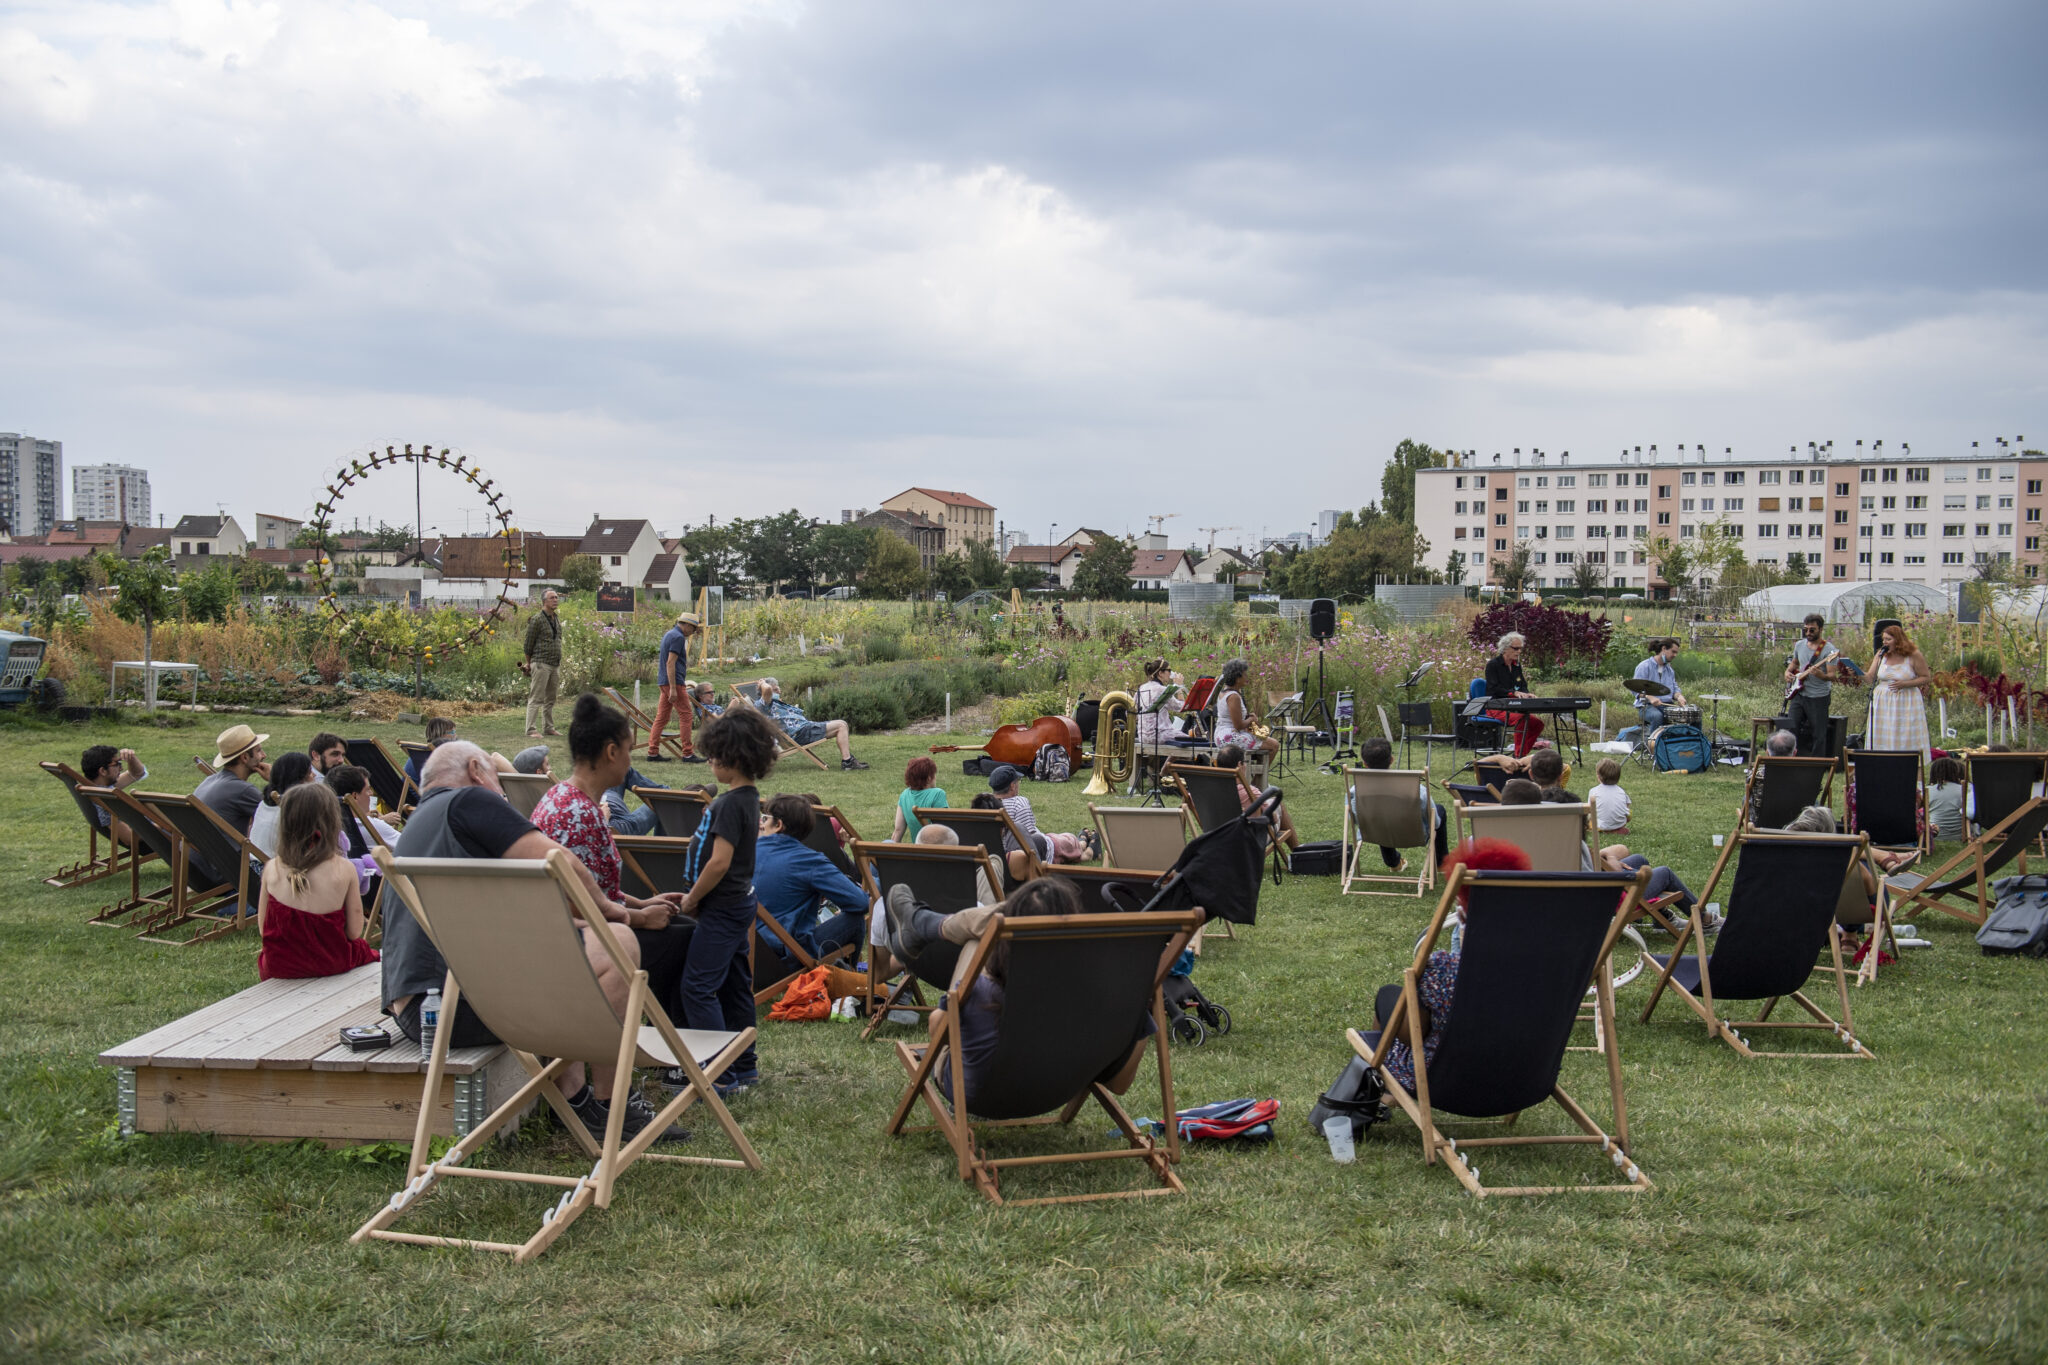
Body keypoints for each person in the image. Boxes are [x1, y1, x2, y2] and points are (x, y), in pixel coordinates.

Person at [379, 738, 685, 1145]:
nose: (502, 791)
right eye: (497, 778)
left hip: (423, 1010)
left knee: (579, 946)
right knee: (617, 942)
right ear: (475, 770)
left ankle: (574, 1099)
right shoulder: (470, 802)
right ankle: (614, 1107)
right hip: (473, 1006)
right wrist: (624, 914)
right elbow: (562, 864)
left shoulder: (420, 824)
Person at [883, 878, 1162, 1110]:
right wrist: (1141, 1014)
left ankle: (923, 923)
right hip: (1057, 1091)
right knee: (1005, 920)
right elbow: (1119, 1085)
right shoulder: (1106, 993)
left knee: (978, 936)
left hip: (977, 1095)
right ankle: (924, 923)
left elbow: (938, 1031)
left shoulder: (980, 990)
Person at [529, 694, 698, 1027]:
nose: (629, 761)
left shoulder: (560, 797)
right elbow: (575, 903)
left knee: (680, 924)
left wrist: (644, 903)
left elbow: (592, 886)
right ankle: (674, 1050)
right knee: (688, 938)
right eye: (628, 750)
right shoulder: (579, 816)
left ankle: (669, 1044)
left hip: (578, 927)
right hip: (582, 942)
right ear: (611, 752)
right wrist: (639, 918)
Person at [674, 707, 781, 1096]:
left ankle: (717, 1075)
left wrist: (691, 899)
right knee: (736, 985)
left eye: (715, 754)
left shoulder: (729, 804)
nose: (710, 761)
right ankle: (743, 1066)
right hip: (739, 903)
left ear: (733, 759)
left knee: (698, 987)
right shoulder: (748, 799)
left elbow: (719, 862)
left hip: (721, 906)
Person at [1374, 839, 1530, 1094]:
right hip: (1524, 1077)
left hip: (1443, 1080)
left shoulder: (1444, 970)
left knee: (1388, 996)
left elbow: (1416, 1033)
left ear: (1463, 913)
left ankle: (1380, 1092)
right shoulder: (1546, 971)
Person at [257, 783, 379, 981]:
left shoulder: (272, 868)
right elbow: (354, 932)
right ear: (332, 822)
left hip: (279, 967)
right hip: (332, 962)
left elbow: (264, 929)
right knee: (367, 951)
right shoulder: (344, 868)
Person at [754, 795, 870, 973]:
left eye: (764, 818)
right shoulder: (808, 860)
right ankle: (849, 980)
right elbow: (861, 903)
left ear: (778, 825)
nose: (761, 823)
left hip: (741, 953)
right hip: (786, 958)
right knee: (855, 919)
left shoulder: (743, 852)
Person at [1358, 737, 1447, 871]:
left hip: (1374, 832)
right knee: (1439, 810)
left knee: (1380, 813)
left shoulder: (1356, 791)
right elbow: (1436, 823)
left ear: (1364, 763)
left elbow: (1355, 818)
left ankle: (1393, 862)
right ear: (1392, 759)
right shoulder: (1417, 790)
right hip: (1416, 835)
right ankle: (1441, 863)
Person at [756, 676, 868, 770]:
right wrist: (762, 683)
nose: (779, 691)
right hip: (800, 733)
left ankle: (848, 760)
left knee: (842, 725)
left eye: (778, 688)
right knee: (841, 725)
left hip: (804, 730)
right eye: (776, 690)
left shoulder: (772, 703)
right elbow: (767, 691)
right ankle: (847, 762)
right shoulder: (764, 704)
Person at [325, 764, 399, 895]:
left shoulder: (328, 824)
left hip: (348, 891)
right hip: (383, 891)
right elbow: (413, 848)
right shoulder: (372, 826)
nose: (371, 794)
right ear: (354, 796)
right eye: (368, 790)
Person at [1866, 622, 1932, 759]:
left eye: (1888, 639)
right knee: (1884, 735)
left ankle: (1908, 763)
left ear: (1898, 640)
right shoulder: (1881, 655)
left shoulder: (1913, 655)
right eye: (1883, 639)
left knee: (1904, 735)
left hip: (1906, 701)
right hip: (1883, 702)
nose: (1884, 642)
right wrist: (1855, 672)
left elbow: (1926, 678)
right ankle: (1881, 763)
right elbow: (1869, 678)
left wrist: (1906, 683)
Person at [1216, 742, 1300, 850]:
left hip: (1218, 839)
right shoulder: (1249, 792)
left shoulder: (1207, 791)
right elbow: (1273, 818)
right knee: (1278, 804)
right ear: (1239, 765)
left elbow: (1190, 800)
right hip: (1249, 841)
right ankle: (1297, 852)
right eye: (1244, 763)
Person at [646, 612, 705, 764]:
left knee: (662, 717)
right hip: (674, 682)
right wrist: (673, 688)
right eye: (693, 628)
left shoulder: (669, 634)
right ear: (686, 625)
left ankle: (652, 752)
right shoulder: (678, 637)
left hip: (664, 681)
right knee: (686, 716)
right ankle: (687, 753)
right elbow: (670, 663)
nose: (693, 632)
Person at [1783, 613, 1841, 757]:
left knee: (1818, 734)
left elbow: (1832, 676)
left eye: (1812, 630)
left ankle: (1816, 767)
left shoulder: (1829, 650)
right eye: (1806, 629)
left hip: (1818, 697)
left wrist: (1821, 675)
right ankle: (1790, 761)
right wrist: (1788, 672)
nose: (1808, 633)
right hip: (1799, 694)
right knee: (1791, 728)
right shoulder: (1799, 645)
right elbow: (1795, 663)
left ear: (1821, 630)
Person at [196, 724, 269, 835]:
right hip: (224, 852)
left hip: (199, 850)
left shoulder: (209, 780)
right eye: (259, 751)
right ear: (244, 757)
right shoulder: (242, 790)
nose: (264, 755)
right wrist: (275, 780)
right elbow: (281, 817)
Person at [986, 764, 1052, 883]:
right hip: (1015, 857)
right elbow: (1028, 837)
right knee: (1060, 841)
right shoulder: (1019, 803)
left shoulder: (985, 803)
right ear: (1012, 786)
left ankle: (1083, 844)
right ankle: (1084, 845)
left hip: (993, 853)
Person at [1484, 632, 1545, 758]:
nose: (1519, 652)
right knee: (1523, 720)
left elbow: (1522, 685)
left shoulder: (1516, 666)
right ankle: (1519, 756)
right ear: (1505, 648)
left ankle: (1521, 753)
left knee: (1538, 724)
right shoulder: (1493, 665)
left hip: (1513, 707)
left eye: (1520, 649)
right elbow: (1493, 688)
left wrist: (1527, 694)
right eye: (1516, 648)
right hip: (1496, 707)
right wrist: (1513, 693)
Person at [78, 744, 149, 848]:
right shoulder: (105, 799)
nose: (121, 768)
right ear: (103, 771)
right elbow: (129, 838)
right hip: (164, 838)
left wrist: (131, 758)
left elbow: (137, 773)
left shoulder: (97, 788)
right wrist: (160, 827)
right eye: (117, 764)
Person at [250, 751, 318, 859]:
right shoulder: (293, 814)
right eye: (309, 772)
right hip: (276, 871)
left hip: (254, 867)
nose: (314, 775)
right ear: (299, 781)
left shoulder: (265, 804)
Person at [1210, 658, 1276, 757]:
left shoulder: (1223, 692)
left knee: (1266, 744)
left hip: (1222, 734)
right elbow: (1238, 726)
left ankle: (1252, 771)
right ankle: (1258, 773)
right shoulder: (1233, 696)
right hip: (1230, 737)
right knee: (1274, 745)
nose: (1247, 677)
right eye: (1245, 674)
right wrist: (1251, 719)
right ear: (1237, 678)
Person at [522, 589, 564, 738]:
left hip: (554, 664)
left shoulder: (555, 618)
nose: (555, 600)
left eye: (556, 597)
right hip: (541, 663)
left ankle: (548, 727)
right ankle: (531, 729)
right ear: (544, 601)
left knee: (550, 698)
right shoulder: (537, 619)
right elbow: (528, 644)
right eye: (552, 598)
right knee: (536, 697)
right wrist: (529, 664)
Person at [1632, 638, 1688, 730]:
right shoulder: (1644, 666)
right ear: (1664, 649)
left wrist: (1679, 696)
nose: (1675, 655)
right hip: (1647, 706)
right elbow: (1636, 689)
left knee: (1692, 715)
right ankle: (1654, 743)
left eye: (1676, 653)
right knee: (1657, 716)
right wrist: (1650, 697)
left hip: (1666, 705)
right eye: (1673, 652)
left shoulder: (1669, 670)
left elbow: (1674, 689)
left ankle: (1690, 742)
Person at [894, 756, 948, 840]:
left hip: (918, 849)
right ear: (929, 778)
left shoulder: (904, 795)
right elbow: (944, 828)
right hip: (937, 848)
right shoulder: (937, 793)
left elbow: (898, 831)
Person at [402, 717, 457, 791]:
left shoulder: (421, 753)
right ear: (441, 734)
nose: (455, 735)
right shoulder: (435, 756)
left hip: (407, 795)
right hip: (422, 798)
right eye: (452, 732)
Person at [1926, 755, 1967, 841]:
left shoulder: (1928, 790)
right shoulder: (1964, 789)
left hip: (1934, 834)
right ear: (1955, 771)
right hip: (1960, 834)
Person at [1590, 758, 1631, 833]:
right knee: (1628, 812)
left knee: (1588, 818)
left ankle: (1605, 829)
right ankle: (1616, 829)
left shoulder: (1593, 791)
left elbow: (1590, 809)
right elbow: (1627, 805)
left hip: (1599, 825)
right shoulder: (1621, 791)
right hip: (1619, 824)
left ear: (1598, 776)